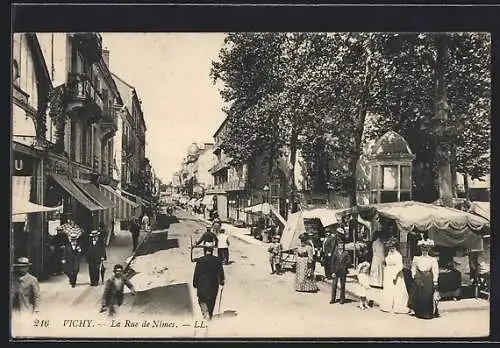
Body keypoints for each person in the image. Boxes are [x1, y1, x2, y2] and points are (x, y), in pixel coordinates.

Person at [408, 238, 440, 319]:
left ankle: (427, 313)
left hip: (428, 279)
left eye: (426, 249)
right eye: (423, 249)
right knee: (419, 296)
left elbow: (435, 271)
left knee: (427, 296)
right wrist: (414, 276)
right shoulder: (417, 258)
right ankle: (419, 312)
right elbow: (413, 268)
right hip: (419, 278)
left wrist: (435, 282)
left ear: (429, 249)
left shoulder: (432, 259)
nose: (424, 251)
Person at [192, 244, 225, 320]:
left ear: (204, 251)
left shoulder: (200, 260)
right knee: (212, 300)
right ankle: (210, 314)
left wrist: (195, 283)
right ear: (212, 251)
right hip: (213, 284)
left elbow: (196, 273)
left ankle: (205, 312)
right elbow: (221, 272)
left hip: (202, 284)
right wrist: (222, 281)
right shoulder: (217, 260)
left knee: (201, 299)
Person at [380, 238, 409, 314]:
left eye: (393, 247)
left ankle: (398, 307)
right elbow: (387, 261)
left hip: (396, 274)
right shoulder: (389, 253)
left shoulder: (398, 255)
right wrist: (385, 265)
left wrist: (395, 275)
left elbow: (400, 266)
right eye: (390, 247)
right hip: (388, 273)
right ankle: (387, 306)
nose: (391, 249)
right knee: (389, 290)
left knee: (397, 291)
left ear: (396, 247)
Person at [330, 236, 351, 304]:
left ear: (343, 246)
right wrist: (332, 272)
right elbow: (332, 263)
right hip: (336, 271)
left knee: (342, 285)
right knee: (334, 285)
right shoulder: (335, 253)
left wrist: (345, 266)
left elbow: (349, 261)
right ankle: (333, 299)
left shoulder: (346, 253)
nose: (340, 247)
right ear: (337, 246)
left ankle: (342, 299)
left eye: (342, 245)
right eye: (339, 245)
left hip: (343, 271)